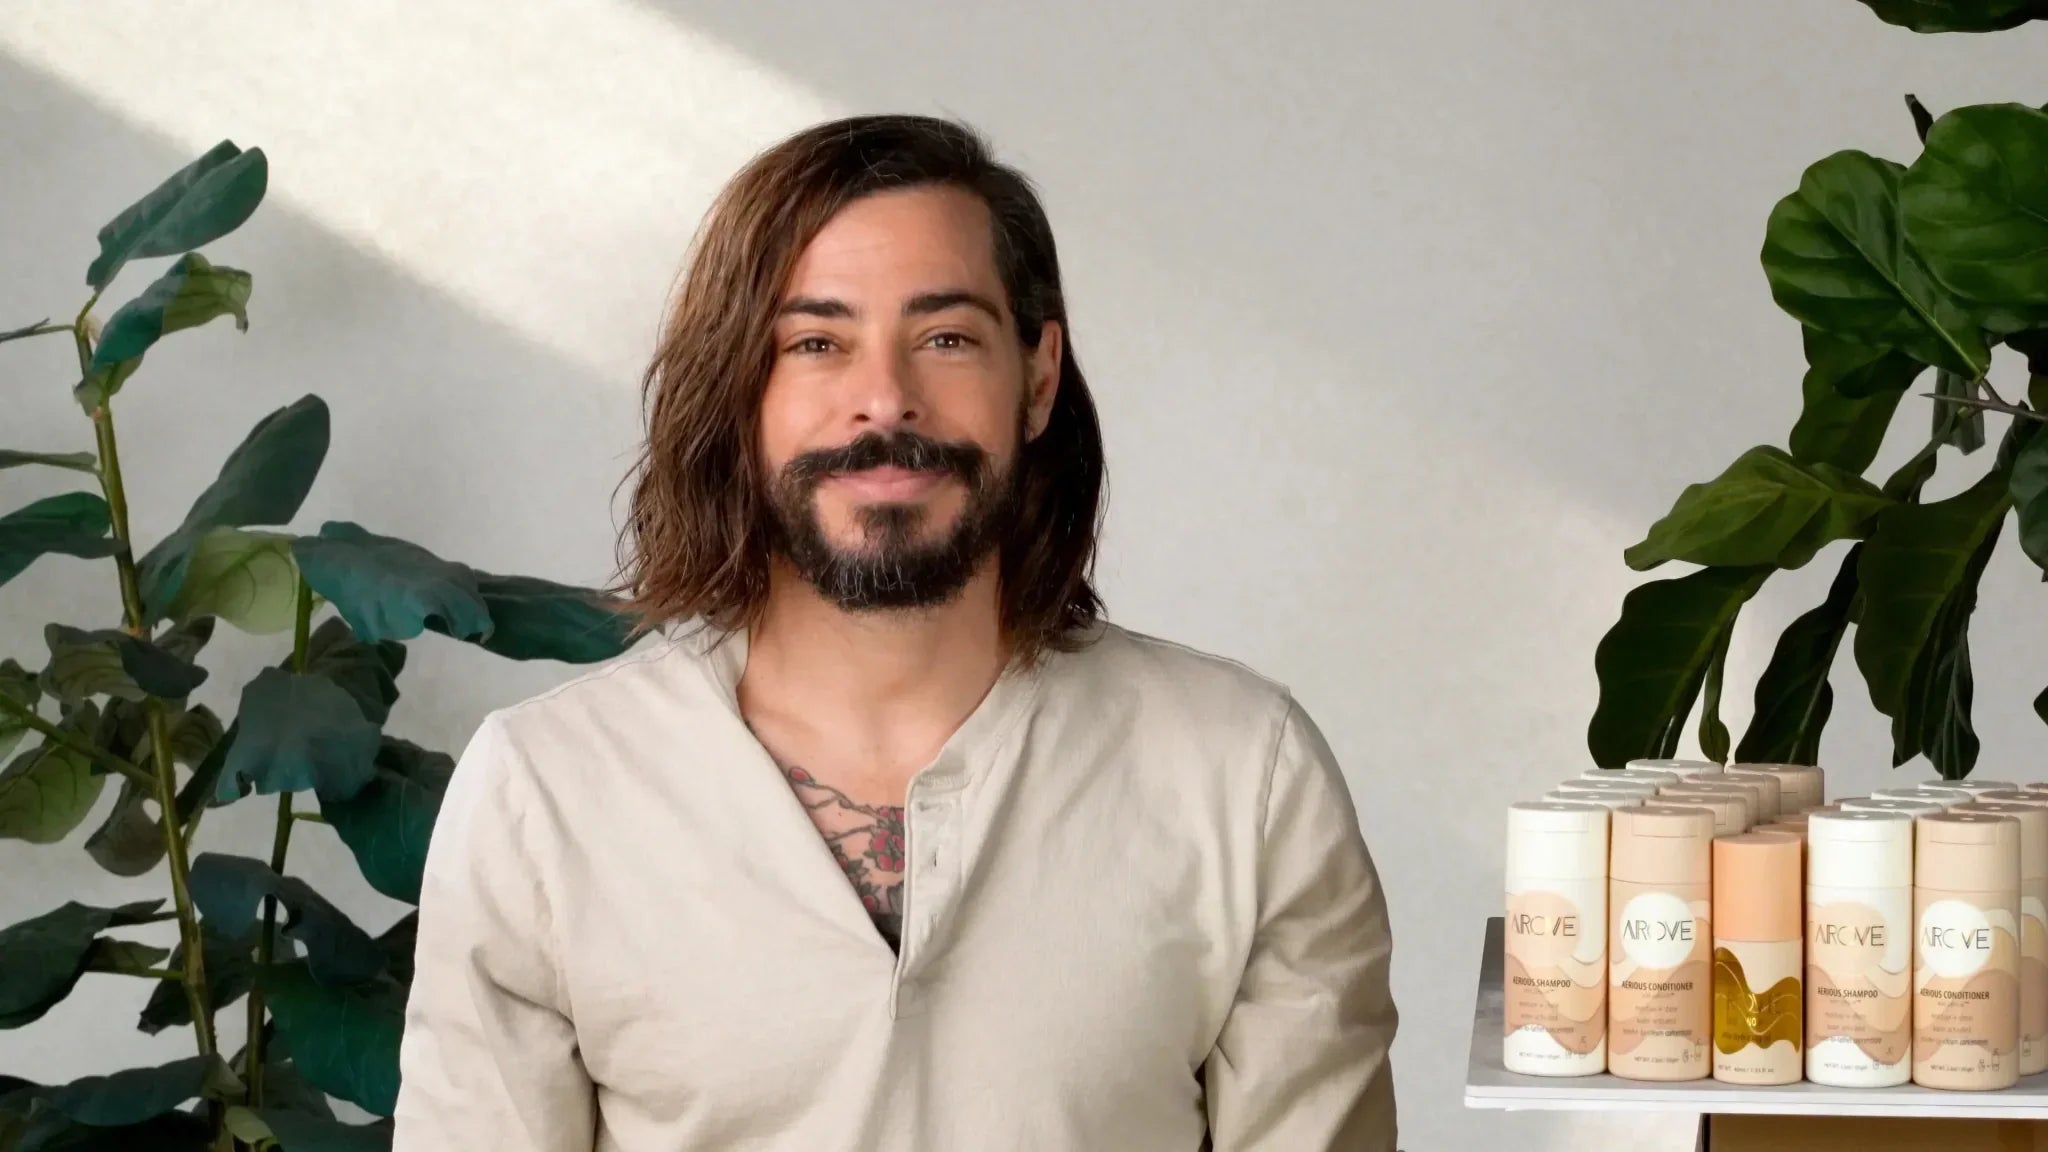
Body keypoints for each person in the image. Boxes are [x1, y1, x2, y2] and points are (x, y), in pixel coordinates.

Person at [392, 114, 1397, 1152]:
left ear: (1038, 377)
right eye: (815, 343)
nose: (885, 400)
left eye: (945, 338)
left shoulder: (1244, 777)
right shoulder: (546, 793)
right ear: (739, 392)